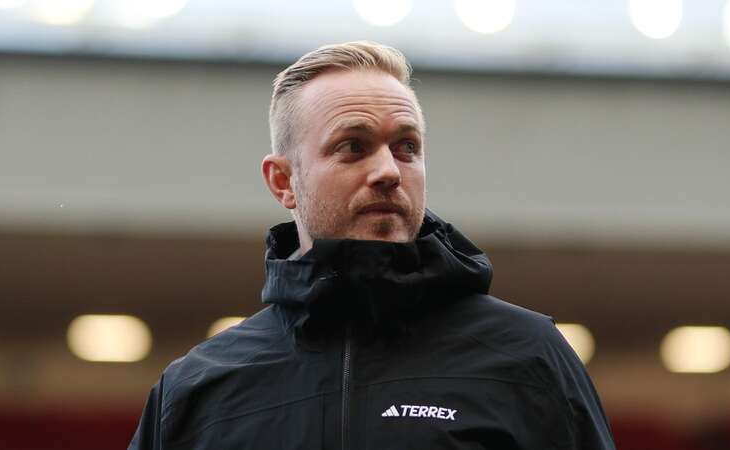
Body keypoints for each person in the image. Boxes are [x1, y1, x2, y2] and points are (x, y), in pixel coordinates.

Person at [128, 41, 616, 450]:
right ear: (283, 182)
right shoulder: (197, 390)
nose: (388, 170)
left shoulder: (527, 357)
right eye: (353, 147)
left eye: (406, 147)